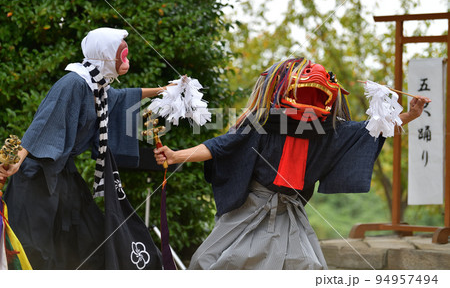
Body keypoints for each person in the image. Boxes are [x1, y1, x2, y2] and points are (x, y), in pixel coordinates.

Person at [154, 57, 431, 270]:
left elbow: (374, 128)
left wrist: (410, 115)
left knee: (307, 270)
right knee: (208, 262)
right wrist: (176, 155)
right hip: (250, 210)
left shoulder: (329, 132)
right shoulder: (261, 124)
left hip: (291, 213)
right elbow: (219, 146)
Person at [0, 27, 170, 269]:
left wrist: (164, 91)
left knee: (88, 236)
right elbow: (42, 123)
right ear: (105, 54)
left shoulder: (98, 88)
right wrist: (16, 160)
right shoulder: (73, 83)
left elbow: (121, 98)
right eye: (122, 54)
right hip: (36, 177)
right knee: (35, 249)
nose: (126, 60)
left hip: (63, 175)